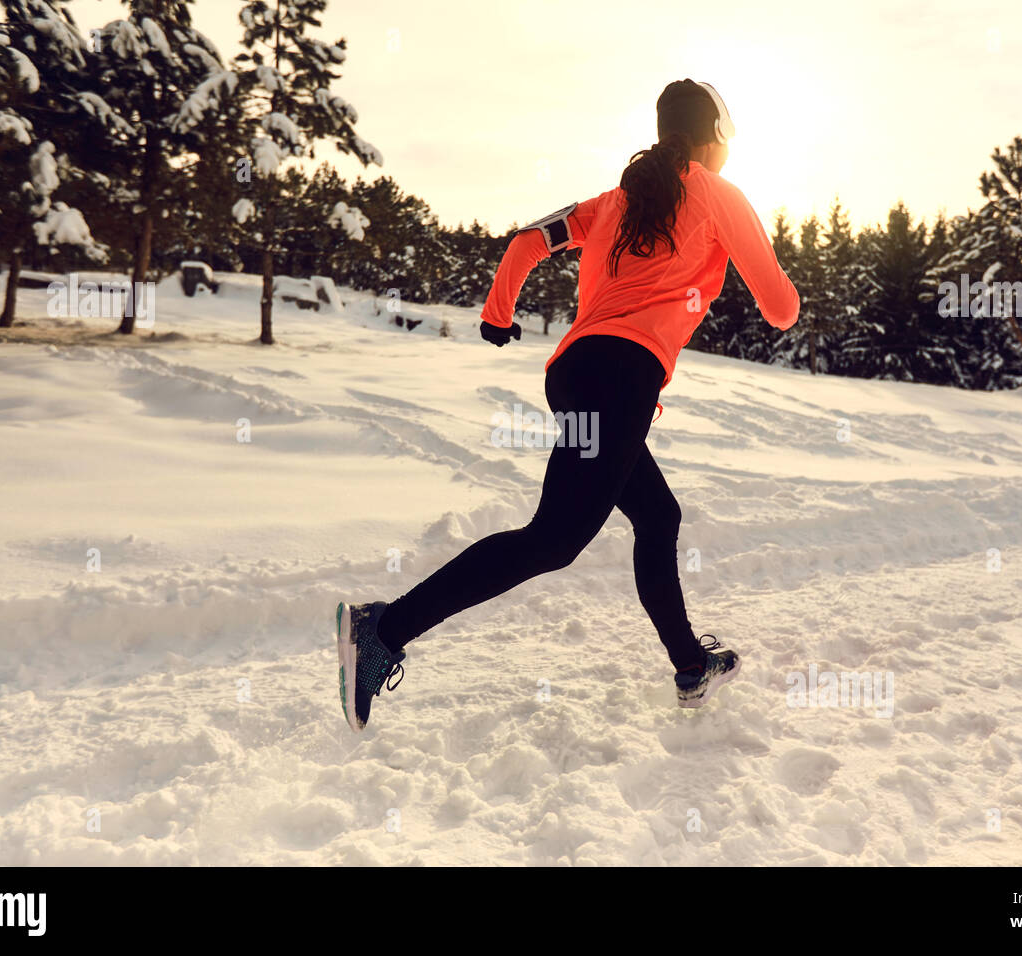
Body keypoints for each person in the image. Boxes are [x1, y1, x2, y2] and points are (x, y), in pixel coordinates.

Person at [337, 79, 800, 731]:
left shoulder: (614, 200)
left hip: (576, 374)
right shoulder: (721, 194)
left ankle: (691, 664)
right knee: (553, 540)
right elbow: (780, 309)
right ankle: (382, 628)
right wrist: (790, 293)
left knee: (658, 514)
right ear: (715, 137)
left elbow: (527, 241)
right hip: (622, 379)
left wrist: (499, 314)